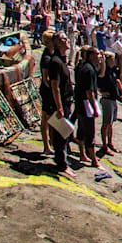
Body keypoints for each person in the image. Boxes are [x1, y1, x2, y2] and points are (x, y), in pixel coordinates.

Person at [41, 33, 74, 174]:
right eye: (64, 39)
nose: (67, 41)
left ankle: (63, 161)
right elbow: (54, 86)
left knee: (65, 134)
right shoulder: (54, 62)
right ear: (57, 43)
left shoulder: (61, 60)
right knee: (61, 134)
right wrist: (59, 107)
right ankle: (62, 164)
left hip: (66, 101)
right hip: (60, 104)